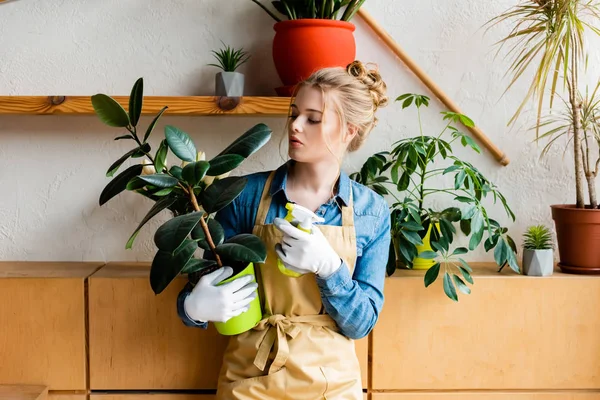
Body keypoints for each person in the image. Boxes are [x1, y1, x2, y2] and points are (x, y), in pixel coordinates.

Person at [177, 60, 391, 399]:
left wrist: (329, 268)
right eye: (294, 114)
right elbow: (210, 286)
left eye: (313, 118)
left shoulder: (370, 212)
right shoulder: (244, 196)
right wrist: (193, 308)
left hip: (331, 386)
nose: (295, 126)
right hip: (250, 380)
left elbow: (361, 323)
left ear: (349, 130)